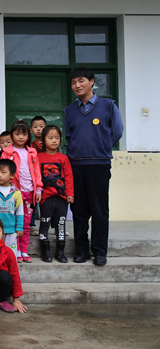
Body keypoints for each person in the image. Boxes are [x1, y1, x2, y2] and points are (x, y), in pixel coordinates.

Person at [64, 68, 123, 266]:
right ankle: (81, 251)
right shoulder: (69, 111)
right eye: (73, 82)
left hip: (99, 164)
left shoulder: (108, 105)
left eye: (81, 81)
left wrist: (102, 147)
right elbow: (69, 136)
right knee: (79, 210)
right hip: (76, 165)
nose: (77, 85)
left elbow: (117, 131)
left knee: (99, 210)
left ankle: (99, 251)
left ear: (91, 82)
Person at [1, 121, 43, 263]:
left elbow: (37, 172)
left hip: (29, 192)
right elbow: (3, 173)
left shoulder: (32, 152)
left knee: (25, 223)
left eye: (24, 134)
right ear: (12, 135)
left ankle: (24, 251)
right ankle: (16, 250)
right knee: (14, 222)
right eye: (17, 134)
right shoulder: (7, 152)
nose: (20, 137)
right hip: (13, 194)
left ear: (28, 136)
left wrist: (38, 189)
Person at [38, 125, 74, 263]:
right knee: (44, 223)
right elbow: (36, 177)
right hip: (45, 197)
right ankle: (45, 251)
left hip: (61, 198)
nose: (54, 141)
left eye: (57, 138)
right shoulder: (38, 157)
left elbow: (69, 177)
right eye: (50, 138)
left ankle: (60, 252)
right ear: (43, 140)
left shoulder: (63, 158)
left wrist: (70, 193)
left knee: (60, 224)